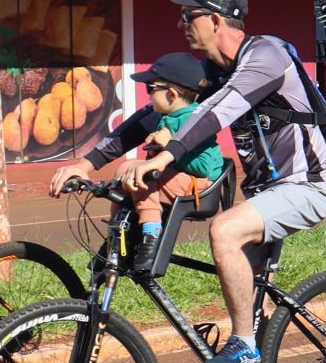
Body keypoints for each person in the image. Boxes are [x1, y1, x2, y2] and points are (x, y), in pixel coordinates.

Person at [52, 0, 326, 363]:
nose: (181, 23)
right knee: (249, 295)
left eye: (190, 15)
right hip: (263, 192)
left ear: (218, 20)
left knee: (225, 230)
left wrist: (166, 157)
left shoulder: (264, 55)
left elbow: (217, 114)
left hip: (306, 185)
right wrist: (89, 161)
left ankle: (244, 347)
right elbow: (154, 117)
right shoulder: (213, 70)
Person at [79, 53, 234, 273]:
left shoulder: (193, 119)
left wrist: (168, 146)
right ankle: (116, 237)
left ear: (171, 94)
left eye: (150, 88)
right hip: (175, 181)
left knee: (142, 176)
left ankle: (150, 237)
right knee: (125, 169)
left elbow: (205, 168)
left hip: (200, 186)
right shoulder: (165, 117)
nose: (149, 94)